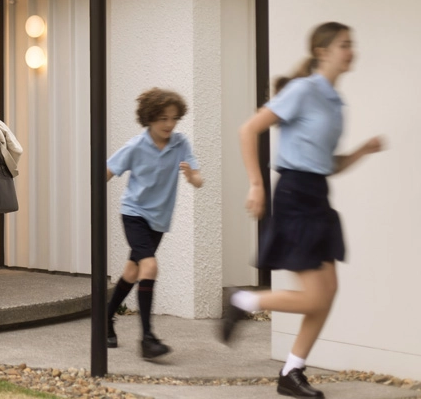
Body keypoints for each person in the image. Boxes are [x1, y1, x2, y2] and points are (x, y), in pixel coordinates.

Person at [224, 22, 383, 398]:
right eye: (345, 44)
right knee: (315, 296)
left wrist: (361, 151)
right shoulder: (303, 90)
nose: (351, 50)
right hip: (294, 194)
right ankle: (242, 301)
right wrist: (257, 184)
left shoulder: (334, 101)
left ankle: (292, 372)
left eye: (352, 44)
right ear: (323, 51)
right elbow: (249, 130)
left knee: (327, 293)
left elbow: (327, 165)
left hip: (317, 194)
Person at [106, 88, 203, 361]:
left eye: (173, 118)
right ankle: (148, 338)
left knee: (132, 271)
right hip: (134, 213)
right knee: (149, 266)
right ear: (149, 118)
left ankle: (105, 317)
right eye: (163, 118)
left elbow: (198, 178)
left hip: (159, 220)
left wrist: (192, 177)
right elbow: (107, 170)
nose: (169, 124)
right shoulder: (136, 146)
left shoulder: (180, 143)